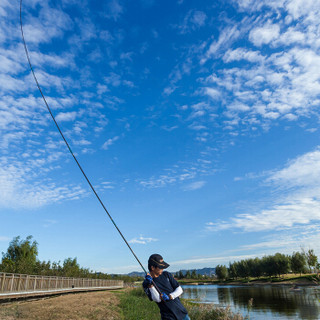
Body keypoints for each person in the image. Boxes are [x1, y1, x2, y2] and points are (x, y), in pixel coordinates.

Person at [142, 254, 190, 320]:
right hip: (168, 317)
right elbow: (157, 299)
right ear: (152, 267)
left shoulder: (166, 275)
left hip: (182, 314)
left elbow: (179, 289)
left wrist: (170, 296)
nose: (163, 268)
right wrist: (150, 285)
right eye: (160, 267)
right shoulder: (146, 283)